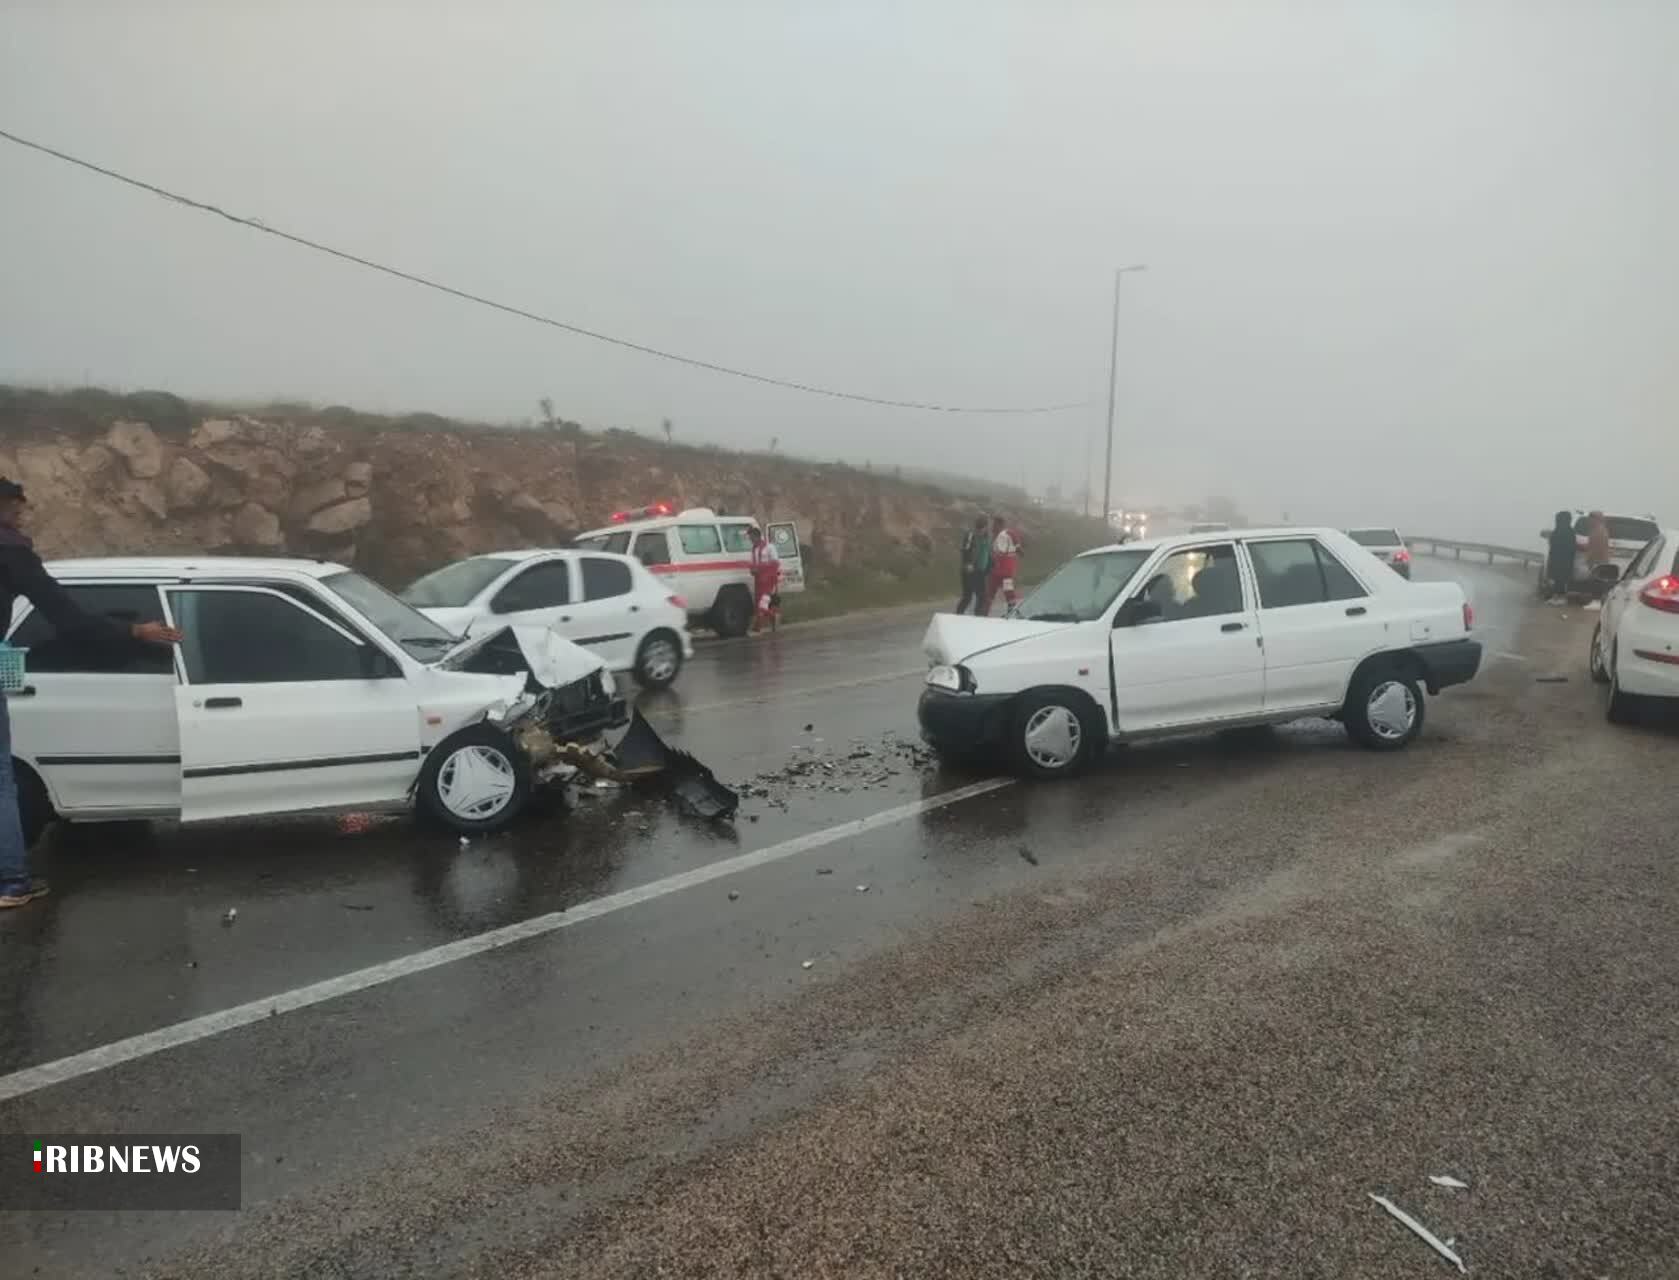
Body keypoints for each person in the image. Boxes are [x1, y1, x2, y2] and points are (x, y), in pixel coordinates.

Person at [0, 477, 181, 908]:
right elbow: (68, 617)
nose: (22, 514)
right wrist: (136, 631)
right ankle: (9, 882)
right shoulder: (10, 551)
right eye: (15, 506)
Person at [985, 515, 1022, 617]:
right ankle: (984, 614)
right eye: (992, 524)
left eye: (995, 524)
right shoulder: (993, 536)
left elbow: (1019, 549)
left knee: (1008, 591)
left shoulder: (1009, 534)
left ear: (1000, 525)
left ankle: (1012, 613)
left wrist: (1016, 551)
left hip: (1006, 571)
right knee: (989, 592)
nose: (993, 527)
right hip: (995, 570)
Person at [747, 525, 781, 634]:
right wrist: (752, 570)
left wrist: (760, 568)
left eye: (752, 538)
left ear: (757, 536)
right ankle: (762, 625)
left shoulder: (769, 547)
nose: (751, 540)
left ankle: (772, 617)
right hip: (759, 581)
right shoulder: (754, 550)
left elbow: (775, 563)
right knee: (758, 606)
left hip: (769, 581)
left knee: (762, 605)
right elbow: (753, 564)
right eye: (750, 538)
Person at [955, 516, 991, 615]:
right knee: (969, 597)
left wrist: (990, 568)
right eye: (978, 528)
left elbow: (987, 554)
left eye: (982, 528)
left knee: (981, 597)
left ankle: (976, 617)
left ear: (986, 527)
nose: (979, 531)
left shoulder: (987, 537)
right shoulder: (970, 535)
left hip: (980, 571)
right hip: (970, 570)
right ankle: (960, 616)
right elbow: (965, 550)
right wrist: (968, 563)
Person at [1545, 510, 1576, 602]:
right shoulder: (1570, 532)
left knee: (1559, 579)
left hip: (1558, 560)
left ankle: (1558, 597)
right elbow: (1572, 548)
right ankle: (1559, 597)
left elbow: (1553, 547)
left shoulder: (1557, 531)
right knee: (1561, 580)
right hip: (1565, 560)